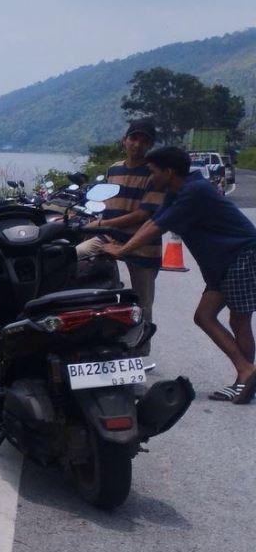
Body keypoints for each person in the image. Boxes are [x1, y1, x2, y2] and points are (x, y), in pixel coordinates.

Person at [102, 145, 256, 403]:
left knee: (238, 320)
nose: (150, 177)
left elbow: (158, 228)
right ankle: (246, 375)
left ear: (169, 171)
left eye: (153, 171)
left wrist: (121, 250)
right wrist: (122, 247)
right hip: (222, 262)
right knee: (205, 317)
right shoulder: (178, 190)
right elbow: (153, 221)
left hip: (240, 256)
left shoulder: (195, 192)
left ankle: (245, 375)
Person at [74, 121, 164, 349]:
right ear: (124, 140)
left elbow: (143, 214)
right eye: (134, 138)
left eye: (144, 141)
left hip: (142, 242)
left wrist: (103, 223)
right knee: (72, 257)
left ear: (150, 145)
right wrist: (97, 223)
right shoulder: (114, 169)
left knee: (143, 302)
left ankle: (141, 349)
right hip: (108, 236)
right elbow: (106, 201)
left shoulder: (153, 174)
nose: (137, 144)